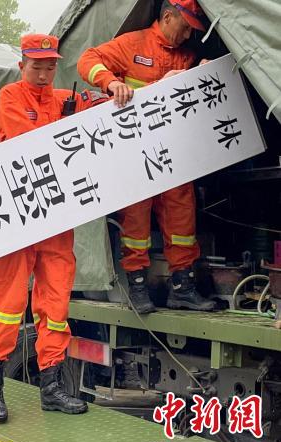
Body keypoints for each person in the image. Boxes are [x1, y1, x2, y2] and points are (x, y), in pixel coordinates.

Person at [0, 33, 109, 422]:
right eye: (37, 66)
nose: (43, 74)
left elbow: (113, 104)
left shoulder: (66, 100)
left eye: (50, 66)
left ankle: (51, 388)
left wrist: (118, 88)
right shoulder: (10, 96)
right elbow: (29, 143)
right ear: (22, 65)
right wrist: (69, 124)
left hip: (56, 225)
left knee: (55, 308)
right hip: (18, 223)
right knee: (7, 307)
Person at [77, 0, 216, 314]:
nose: (187, 36)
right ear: (167, 17)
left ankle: (183, 288)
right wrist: (112, 82)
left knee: (182, 220)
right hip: (137, 155)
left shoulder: (187, 56)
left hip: (176, 155)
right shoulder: (133, 44)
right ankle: (138, 287)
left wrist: (204, 72)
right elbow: (87, 60)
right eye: (185, 28)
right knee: (136, 219)